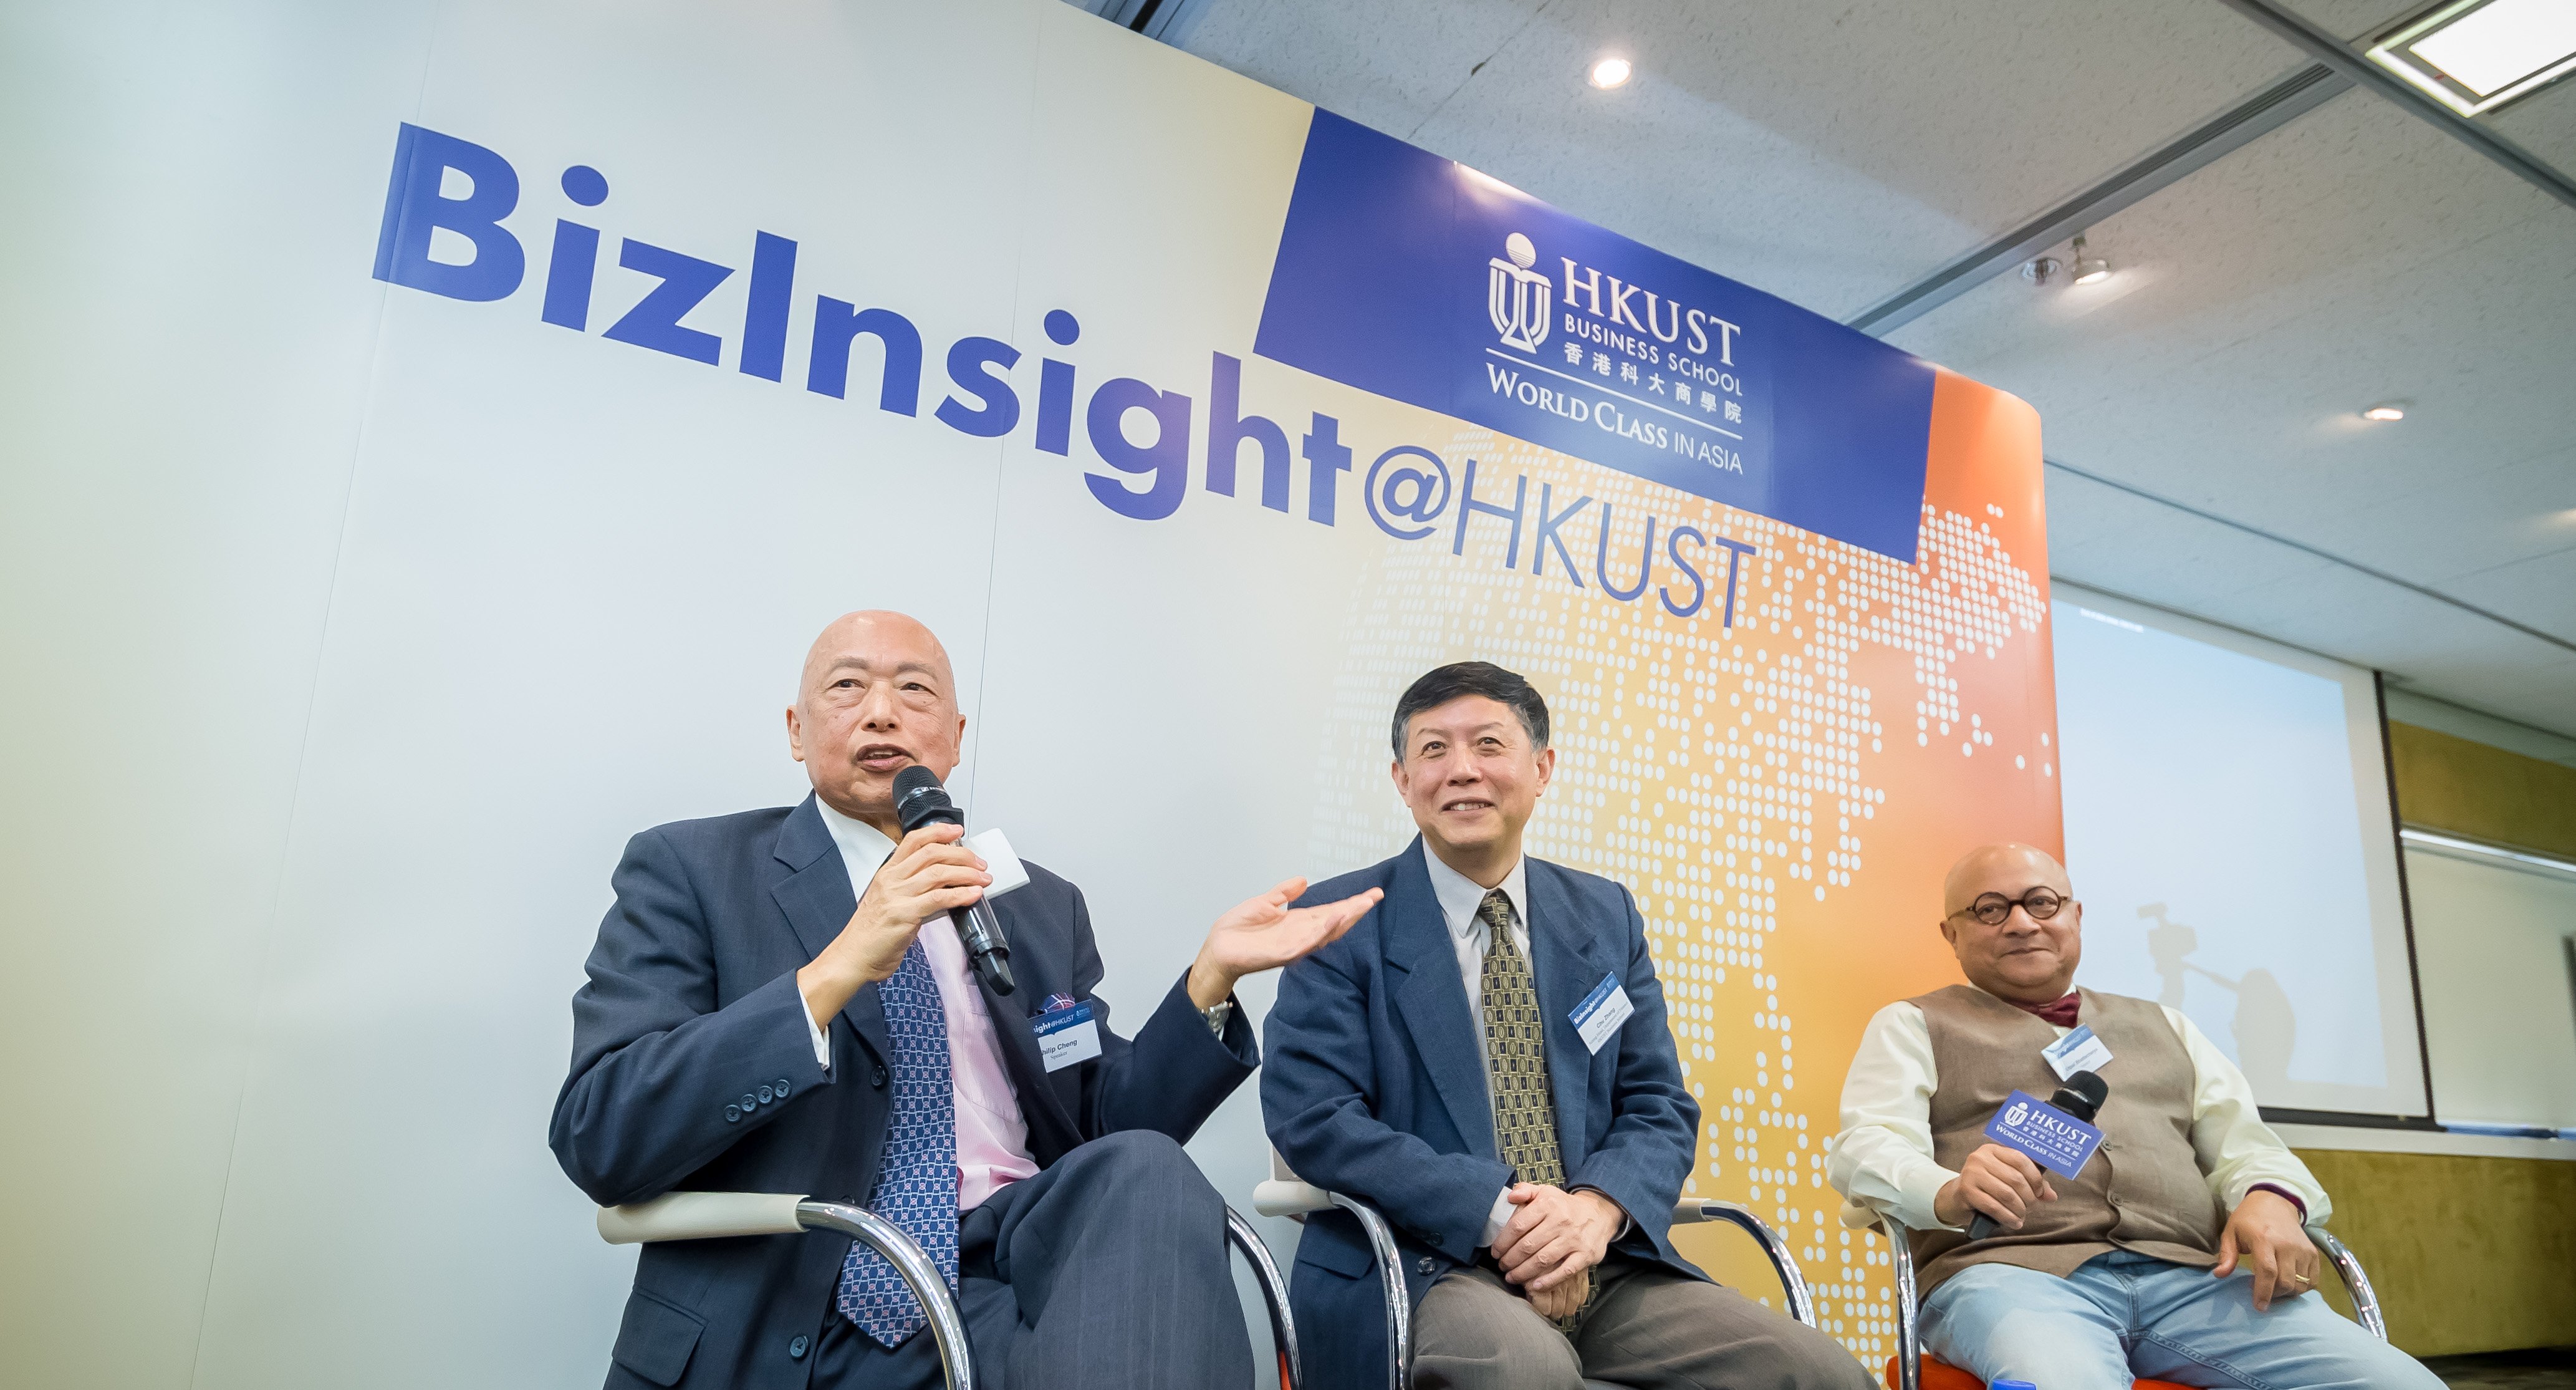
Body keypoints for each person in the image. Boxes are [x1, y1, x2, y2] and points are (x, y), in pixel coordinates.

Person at [549, 611, 1381, 1390]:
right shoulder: (694, 869)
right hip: (811, 1292)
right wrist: (837, 967)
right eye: (847, 687)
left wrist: (1210, 979)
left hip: (1011, 1281)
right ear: (797, 732)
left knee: (1146, 1171)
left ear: (953, 739)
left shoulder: (1031, 905)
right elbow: (603, 1132)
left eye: (915, 691)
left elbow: (1114, 1125)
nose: (882, 713)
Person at [1262, 662, 1875, 1390]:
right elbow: (1316, 1119)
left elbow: (1657, 1103)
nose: (1461, 770)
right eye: (1433, 750)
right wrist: (1500, 1217)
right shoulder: (1342, 921)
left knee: (1814, 1370)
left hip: (1601, 1264)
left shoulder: (1603, 914)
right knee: (1525, 1372)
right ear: (1402, 780)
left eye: (1488, 744)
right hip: (1423, 1263)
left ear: (1542, 768)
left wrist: (1593, 1212)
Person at [1826, 842, 2444, 1390]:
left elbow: (2248, 1146)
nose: (2019, 923)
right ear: (1950, 934)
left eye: (2040, 902)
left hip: (2193, 1282)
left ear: (2075, 915)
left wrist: (2271, 1198)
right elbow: (1866, 1149)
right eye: (1988, 909)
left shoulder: (2166, 1025)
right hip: (2008, 1277)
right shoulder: (1913, 1024)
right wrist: (1949, 1190)